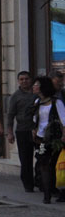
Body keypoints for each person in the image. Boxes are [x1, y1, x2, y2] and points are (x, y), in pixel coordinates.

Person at [31, 75, 65, 204]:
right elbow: (35, 120)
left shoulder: (57, 102)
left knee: (55, 164)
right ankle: (47, 193)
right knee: (43, 164)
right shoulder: (37, 102)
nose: (34, 87)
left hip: (55, 139)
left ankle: (57, 190)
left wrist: (63, 136)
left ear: (42, 87)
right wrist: (33, 131)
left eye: (36, 85)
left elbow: (64, 121)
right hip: (41, 139)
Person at [6, 70, 39, 193]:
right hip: (22, 131)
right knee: (25, 159)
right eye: (22, 79)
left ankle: (40, 180)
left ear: (31, 80)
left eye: (26, 79)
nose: (24, 81)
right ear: (18, 81)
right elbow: (10, 115)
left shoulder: (37, 94)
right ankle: (28, 184)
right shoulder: (15, 96)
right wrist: (9, 132)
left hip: (38, 131)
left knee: (41, 156)